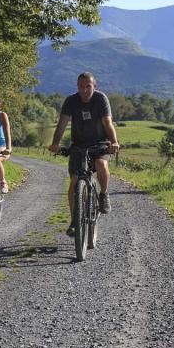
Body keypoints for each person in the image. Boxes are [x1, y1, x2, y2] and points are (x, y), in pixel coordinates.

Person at [48, 72, 119, 235]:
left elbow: (107, 122)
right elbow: (62, 123)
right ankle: (74, 220)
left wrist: (114, 141)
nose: (84, 90)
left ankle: (103, 194)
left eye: (88, 86)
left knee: (101, 164)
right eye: (81, 86)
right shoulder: (71, 101)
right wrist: (55, 143)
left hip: (100, 143)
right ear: (77, 86)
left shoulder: (101, 99)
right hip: (79, 145)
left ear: (94, 86)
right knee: (74, 182)